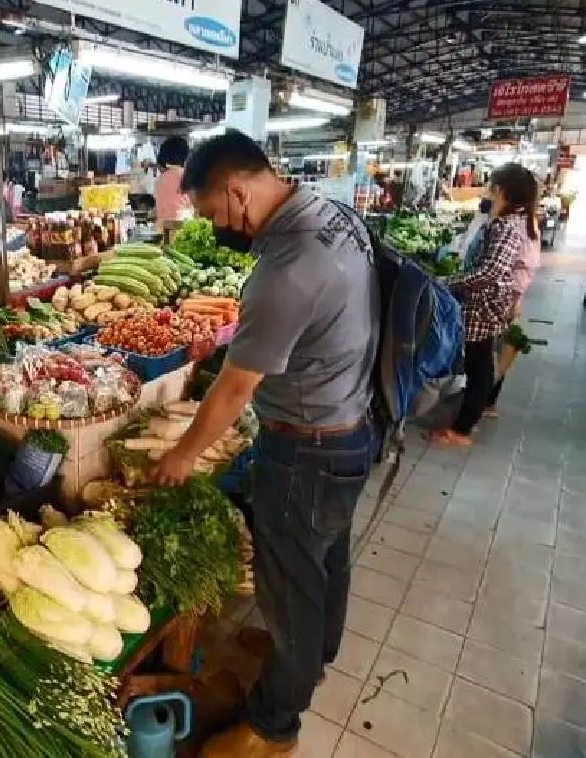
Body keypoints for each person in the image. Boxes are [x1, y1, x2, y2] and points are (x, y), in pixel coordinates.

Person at [152, 130, 379, 757]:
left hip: (305, 448)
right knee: (327, 561)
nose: (215, 225)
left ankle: (273, 725)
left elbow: (233, 388)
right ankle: (309, 659)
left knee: (289, 585)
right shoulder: (334, 214)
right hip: (349, 428)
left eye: (211, 213)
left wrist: (183, 453)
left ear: (236, 190)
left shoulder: (286, 267)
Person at [431, 164, 531, 447]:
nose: (489, 191)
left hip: (483, 305)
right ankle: (467, 419)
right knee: (480, 362)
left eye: (493, 186)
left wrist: (448, 281)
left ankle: (462, 429)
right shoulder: (507, 224)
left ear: (502, 191)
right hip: (485, 302)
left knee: (479, 364)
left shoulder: (506, 227)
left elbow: (490, 272)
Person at [485, 191, 542, 416]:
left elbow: (525, 267)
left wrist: (515, 300)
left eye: (497, 190)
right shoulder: (519, 222)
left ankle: (487, 402)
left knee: (495, 350)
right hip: (506, 296)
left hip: (506, 298)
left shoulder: (520, 225)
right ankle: (485, 400)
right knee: (496, 349)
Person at [155, 136, 190, 242]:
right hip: (181, 230)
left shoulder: (161, 178)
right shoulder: (186, 175)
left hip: (163, 230)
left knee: (167, 252)